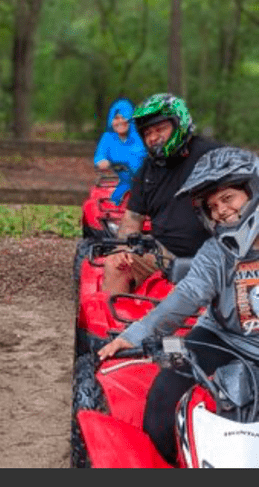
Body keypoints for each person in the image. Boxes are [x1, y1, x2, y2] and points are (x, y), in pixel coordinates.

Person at [98, 146, 259, 465]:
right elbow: (185, 297)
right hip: (220, 338)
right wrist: (135, 334)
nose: (221, 211)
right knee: (162, 398)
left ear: (252, 191)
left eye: (228, 198)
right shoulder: (216, 253)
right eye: (212, 206)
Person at [102, 93, 222, 295]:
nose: (153, 138)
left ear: (179, 124)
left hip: (220, 253)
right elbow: (132, 219)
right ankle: (116, 315)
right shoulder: (146, 171)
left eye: (160, 129)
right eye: (147, 133)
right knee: (115, 263)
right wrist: (123, 249)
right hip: (164, 254)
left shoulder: (215, 156)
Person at [93, 97, 147, 205]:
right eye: (116, 118)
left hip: (140, 180)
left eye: (124, 117)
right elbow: (99, 155)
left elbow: (142, 158)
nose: (120, 122)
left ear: (130, 119)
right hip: (116, 179)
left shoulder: (139, 137)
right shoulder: (107, 137)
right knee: (107, 197)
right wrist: (102, 161)